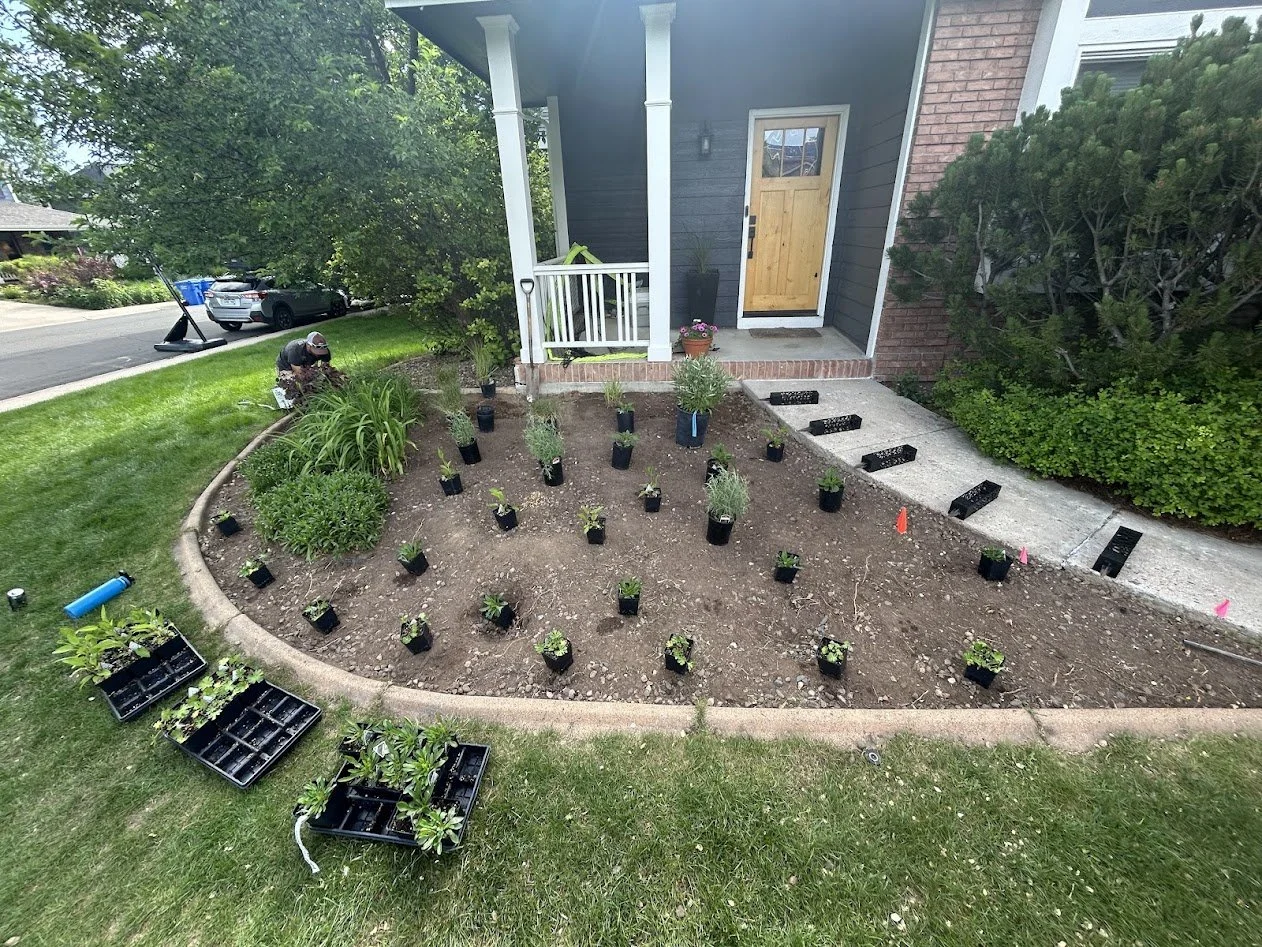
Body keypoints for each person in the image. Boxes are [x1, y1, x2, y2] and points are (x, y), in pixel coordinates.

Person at [275, 331, 343, 401]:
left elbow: (327, 369)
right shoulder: (295, 351)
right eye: (316, 350)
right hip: (286, 365)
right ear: (308, 345)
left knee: (317, 379)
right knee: (292, 385)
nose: (319, 354)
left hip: (306, 362)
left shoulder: (324, 351)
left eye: (322, 350)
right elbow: (299, 375)